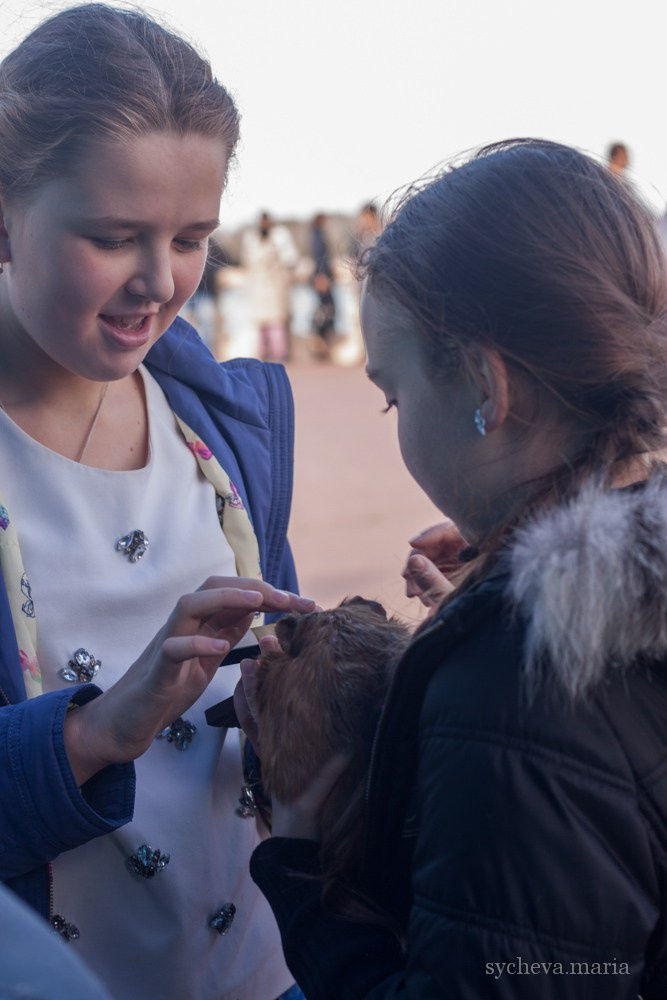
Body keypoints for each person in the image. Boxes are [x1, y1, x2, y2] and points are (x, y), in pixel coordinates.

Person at [242, 139, 667, 997]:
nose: (393, 418)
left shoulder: (523, 683)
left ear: (483, 384)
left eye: (392, 392)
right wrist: (492, 597)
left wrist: (301, 859)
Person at [0, 6, 313, 1000]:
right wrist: (95, 732)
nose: (160, 279)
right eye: (114, 235)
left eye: (191, 237)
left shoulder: (231, 425)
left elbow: (290, 704)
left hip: (273, 972)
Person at [241, 211, 298, 362]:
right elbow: (290, 261)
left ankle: (271, 356)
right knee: (270, 326)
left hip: (268, 289)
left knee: (270, 326)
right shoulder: (263, 241)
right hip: (268, 289)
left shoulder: (259, 242)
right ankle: (271, 356)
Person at [309, 212, 336, 357]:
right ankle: (320, 343)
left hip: (321, 275)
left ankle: (320, 343)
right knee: (327, 311)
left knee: (324, 310)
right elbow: (320, 258)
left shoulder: (315, 235)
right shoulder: (318, 237)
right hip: (322, 277)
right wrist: (322, 276)